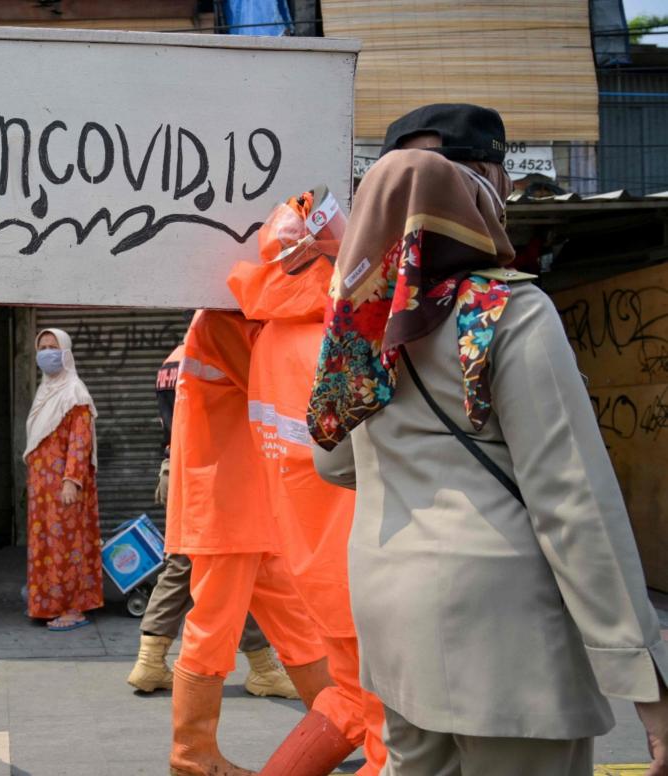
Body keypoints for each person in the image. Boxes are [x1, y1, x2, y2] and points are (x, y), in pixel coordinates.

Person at [309, 103, 668, 776]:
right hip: (508, 637)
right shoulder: (510, 311)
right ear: (483, 190)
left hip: (392, 616)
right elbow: (573, 501)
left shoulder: (357, 326)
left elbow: (330, 461)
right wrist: (646, 684)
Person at [227, 186, 386, 775]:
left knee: (347, 698)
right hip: (363, 562)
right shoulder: (341, 339)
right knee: (395, 732)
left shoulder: (268, 335)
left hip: (310, 564)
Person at [167, 310, 333, 776]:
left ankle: (348, 721)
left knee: (299, 626)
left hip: (249, 502)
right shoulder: (221, 321)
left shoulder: (231, 320)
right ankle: (191, 754)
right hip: (226, 502)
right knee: (213, 629)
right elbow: (278, 379)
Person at [127, 342, 297, 699]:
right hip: (212, 472)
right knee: (221, 563)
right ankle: (257, 668)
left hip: (179, 469)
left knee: (218, 565)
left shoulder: (170, 361)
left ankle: (154, 661)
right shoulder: (215, 353)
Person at [23, 328, 104, 632]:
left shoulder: (75, 392)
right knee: (46, 545)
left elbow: (80, 441)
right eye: (42, 347)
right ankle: (46, 601)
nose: (46, 353)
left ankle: (74, 607)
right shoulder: (46, 391)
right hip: (42, 488)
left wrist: (71, 479)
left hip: (65, 485)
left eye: (52, 347)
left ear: (66, 353)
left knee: (67, 545)